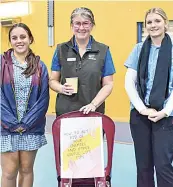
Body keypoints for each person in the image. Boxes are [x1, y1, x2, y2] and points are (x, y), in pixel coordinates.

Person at [124, 8, 173, 187]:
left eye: (157, 21)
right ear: (145, 26)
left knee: (163, 165)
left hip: (167, 116)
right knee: (143, 166)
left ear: (165, 23)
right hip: (140, 114)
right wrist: (142, 108)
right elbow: (129, 82)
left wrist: (166, 111)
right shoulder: (138, 49)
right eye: (149, 22)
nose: (153, 25)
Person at [1, 23, 49, 187]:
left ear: (30, 39)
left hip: (31, 128)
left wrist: (26, 124)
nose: (19, 41)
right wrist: (12, 124)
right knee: (9, 172)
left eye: (23, 37)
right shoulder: (1, 64)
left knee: (27, 169)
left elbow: (43, 99)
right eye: (14, 38)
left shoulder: (40, 67)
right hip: (5, 127)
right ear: (10, 41)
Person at [49, 7, 115, 116]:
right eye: (77, 23)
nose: (81, 27)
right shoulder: (61, 50)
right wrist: (61, 88)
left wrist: (94, 104)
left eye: (86, 23)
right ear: (72, 25)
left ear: (92, 25)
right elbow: (52, 81)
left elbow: (108, 84)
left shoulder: (103, 51)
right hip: (66, 112)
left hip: (93, 112)